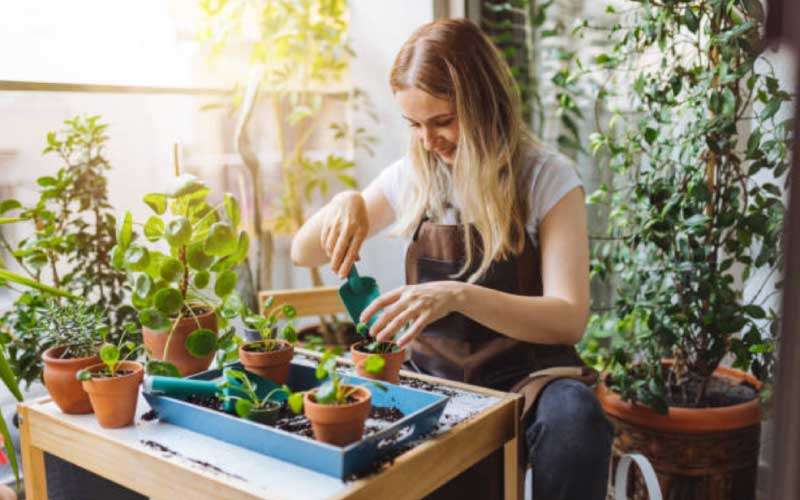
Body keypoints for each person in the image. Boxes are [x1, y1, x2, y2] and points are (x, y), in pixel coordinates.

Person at [291, 18, 613, 500]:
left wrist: (459, 296)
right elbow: (304, 250)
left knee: (577, 422)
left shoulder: (546, 178)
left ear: (486, 105)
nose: (428, 140)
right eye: (415, 124)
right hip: (434, 379)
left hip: (530, 380)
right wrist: (346, 203)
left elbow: (568, 320)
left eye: (443, 121)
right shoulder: (414, 175)